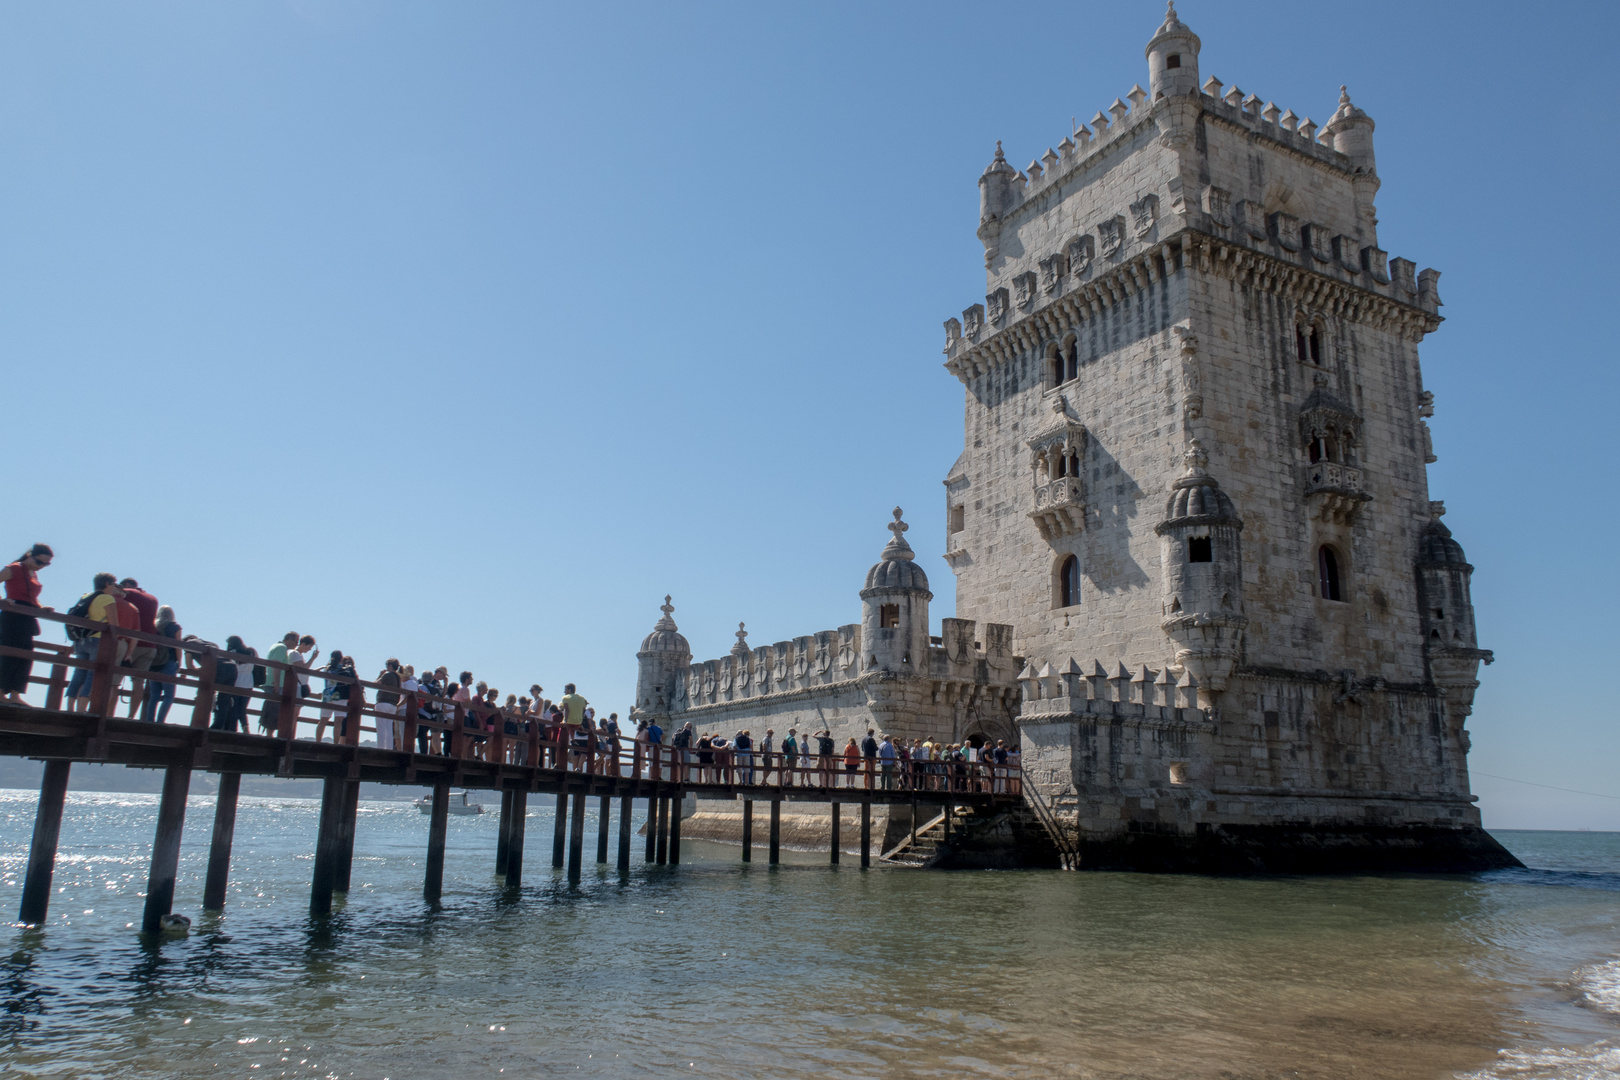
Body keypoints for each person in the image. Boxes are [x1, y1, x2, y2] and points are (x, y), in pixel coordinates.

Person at [0, 543, 53, 705]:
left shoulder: (33, 574)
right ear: (30, 555)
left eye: (46, 564)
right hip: (12, 617)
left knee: (26, 656)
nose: (42, 566)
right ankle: (0, 693)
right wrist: (2, 601)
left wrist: (42, 608)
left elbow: (30, 597)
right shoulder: (14, 568)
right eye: (39, 562)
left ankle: (16, 694)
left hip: (28, 618)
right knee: (9, 655)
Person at [66, 574, 124, 712]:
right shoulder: (107, 598)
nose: (115, 588)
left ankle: (69, 708)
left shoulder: (85, 596)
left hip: (81, 640)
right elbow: (114, 625)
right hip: (98, 640)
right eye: (114, 584)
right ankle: (81, 709)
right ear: (107, 583)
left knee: (78, 673)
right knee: (92, 675)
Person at [116, 578, 159, 718]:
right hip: (150, 644)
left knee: (114, 680)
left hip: (132, 644)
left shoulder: (127, 593)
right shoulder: (153, 598)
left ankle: (107, 713)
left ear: (126, 586)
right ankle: (131, 716)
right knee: (139, 682)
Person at [140, 606, 182, 723]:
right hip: (169, 663)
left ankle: (149, 721)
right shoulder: (175, 628)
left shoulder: (154, 626)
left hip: (154, 663)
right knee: (169, 696)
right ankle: (160, 721)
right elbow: (177, 646)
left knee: (154, 695)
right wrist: (179, 662)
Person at [261, 631, 299, 735]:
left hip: (271, 682)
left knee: (272, 708)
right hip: (274, 683)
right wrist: (277, 682)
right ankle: (269, 735)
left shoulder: (276, 645)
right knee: (274, 710)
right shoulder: (282, 648)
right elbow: (276, 664)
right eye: (296, 642)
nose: (297, 645)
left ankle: (269, 734)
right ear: (290, 640)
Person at [374, 658, 402, 749]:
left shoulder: (387, 675)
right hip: (393, 704)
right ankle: (388, 747)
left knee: (381, 727)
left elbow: (376, 684)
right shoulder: (398, 677)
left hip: (383, 702)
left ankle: (380, 747)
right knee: (389, 727)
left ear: (390, 666)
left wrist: (380, 675)